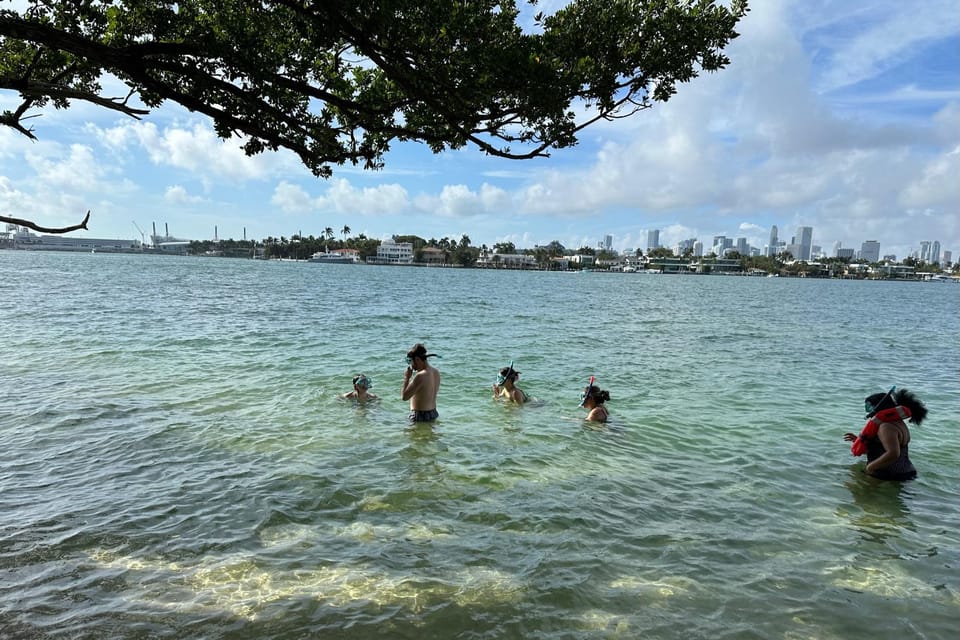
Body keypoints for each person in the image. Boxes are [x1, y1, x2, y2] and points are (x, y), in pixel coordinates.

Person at [843, 387, 928, 480]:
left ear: (878, 408)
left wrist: (870, 467)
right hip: (904, 472)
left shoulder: (886, 427)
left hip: (889, 476)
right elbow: (882, 450)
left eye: (869, 407)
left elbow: (894, 453)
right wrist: (859, 442)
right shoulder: (899, 423)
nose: (869, 412)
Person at [401, 343, 441, 422]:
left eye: (411, 362)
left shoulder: (420, 376)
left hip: (419, 416)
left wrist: (407, 378)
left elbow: (404, 397)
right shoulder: (436, 372)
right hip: (433, 413)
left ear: (417, 359)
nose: (412, 366)